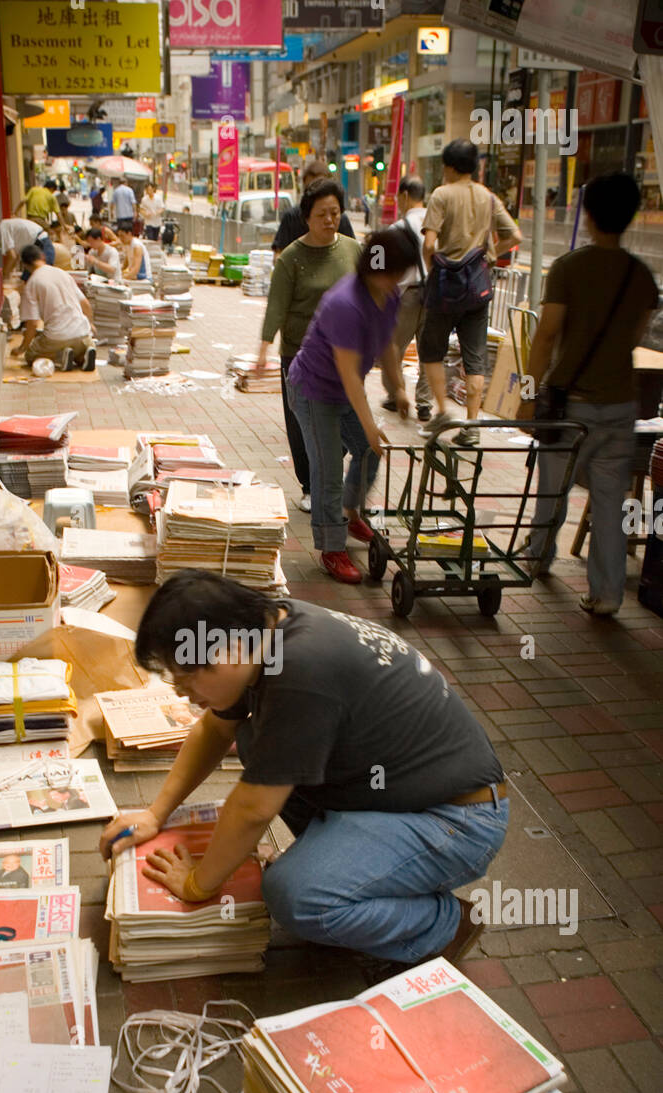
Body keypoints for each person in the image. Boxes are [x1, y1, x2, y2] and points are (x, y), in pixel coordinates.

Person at [99, 571, 508, 974]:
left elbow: (254, 808)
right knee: (261, 747)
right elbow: (214, 728)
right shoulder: (268, 630)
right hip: (396, 793)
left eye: (187, 677)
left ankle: (443, 924)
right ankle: (358, 876)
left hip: (457, 820)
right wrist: (156, 814)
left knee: (295, 897)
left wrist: (198, 885)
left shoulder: (299, 671)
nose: (180, 691)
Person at [516, 171, 658, 617]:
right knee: (611, 501)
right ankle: (608, 595)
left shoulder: (569, 268)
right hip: (621, 405)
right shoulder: (640, 275)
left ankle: (538, 557)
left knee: (552, 488)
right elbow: (634, 336)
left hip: (569, 405)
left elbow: (545, 337)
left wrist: (525, 393)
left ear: (589, 214)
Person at [286, 229, 417, 584]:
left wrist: (399, 389)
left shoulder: (388, 296)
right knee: (327, 469)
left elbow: (388, 345)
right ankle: (331, 548)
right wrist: (371, 425)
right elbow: (349, 375)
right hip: (313, 390)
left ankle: (350, 511)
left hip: (342, 391)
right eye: (394, 271)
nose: (398, 280)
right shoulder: (344, 303)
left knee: (369, 451)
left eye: (402, 273)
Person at [256, 178, 361, 514]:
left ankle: (330, 478)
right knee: (303, 426)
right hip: (300, 354)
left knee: (345, 421)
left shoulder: (351, 249)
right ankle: (309, 485)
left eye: (335, 213)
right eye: (322, 215)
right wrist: (264, 348)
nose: (330, 220)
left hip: (343, 353)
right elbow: (277, 306)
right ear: (307, 218)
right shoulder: (291, 258)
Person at [418, 139, 522, 447]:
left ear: (448, 166)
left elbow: (428, 244)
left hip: (444, 289)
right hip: (478, 287)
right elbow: (514, 235)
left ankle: (442, 411)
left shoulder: (441, 195)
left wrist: (433, 267)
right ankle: (472, 426)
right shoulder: (488, 197)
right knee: (475, 359)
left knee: (431, 351)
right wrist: (489, 256)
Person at [380, 176, 432, 423]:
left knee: (393, 348)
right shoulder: (437, 225)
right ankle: (425, 404)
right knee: (429, 352)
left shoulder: (398, 229)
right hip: (435, 295)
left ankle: (394, 395)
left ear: (404, 196)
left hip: (407, 295)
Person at [12, 245, 96, 372]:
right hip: (82, 333)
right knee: (79, 344)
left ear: (25, 265)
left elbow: (32, 324)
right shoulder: (63, 274)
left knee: (31, 356)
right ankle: (82, 355)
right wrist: (90, 323)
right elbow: (85, 304)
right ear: (42, 257)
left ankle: (60, 356)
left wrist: (22, 348)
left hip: (57, 337)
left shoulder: (32, 283)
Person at [272, 159, 356, 256]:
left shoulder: (342, 220)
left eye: (333, 213)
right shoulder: (291, 218)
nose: (328, 220)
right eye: (311, 189)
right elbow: (279, 254)